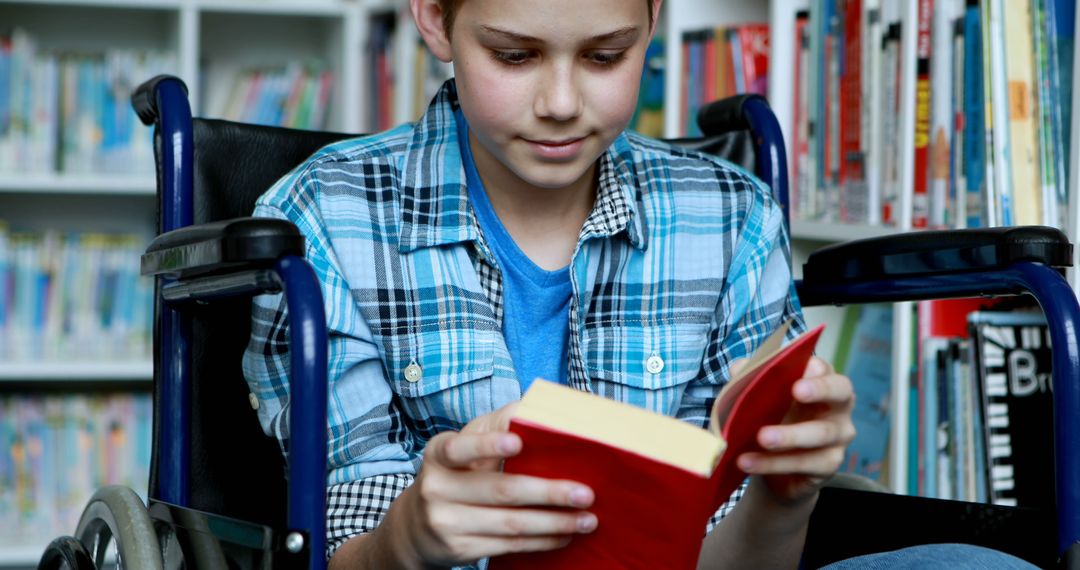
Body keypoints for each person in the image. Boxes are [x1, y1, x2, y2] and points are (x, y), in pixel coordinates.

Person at [241, 0, 1038, 568]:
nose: (560, 103)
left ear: (654, 21)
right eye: (514, 56)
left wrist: (782, 495)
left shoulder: (729, 216)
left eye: (605, 55)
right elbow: (337, 554)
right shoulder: (323, 220)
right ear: (433, 19)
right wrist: (410, 536)